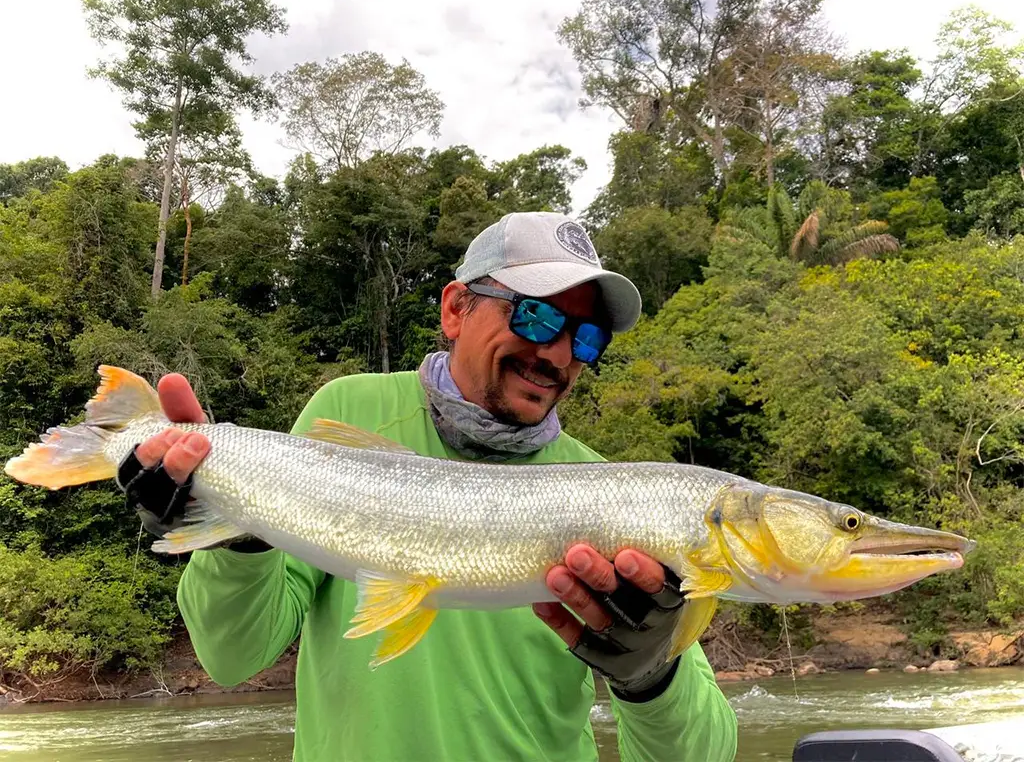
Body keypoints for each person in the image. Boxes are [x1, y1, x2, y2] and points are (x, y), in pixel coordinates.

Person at [118, 212, 739, 761]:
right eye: (536, 314)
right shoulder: (348, 411)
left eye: (586, 338)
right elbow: (233, 658)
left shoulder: (619, 494)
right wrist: (237, 537)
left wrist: (651, 676)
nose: (557, 354)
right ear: (455, 309)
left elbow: (705, 756)